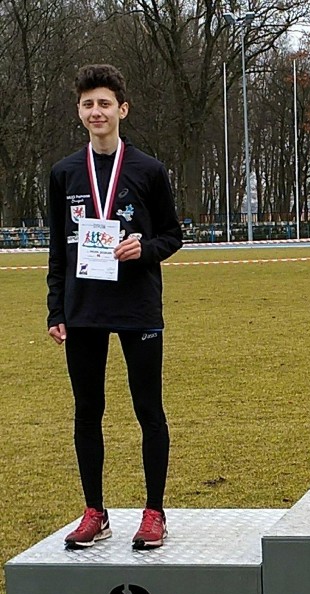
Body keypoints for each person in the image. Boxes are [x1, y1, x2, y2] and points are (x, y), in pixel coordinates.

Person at [47, 64, 183, 549]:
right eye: (88, 104)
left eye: (105, 103)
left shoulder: (149, 170)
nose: (96, 111)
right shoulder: (64, 173)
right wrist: (54, 309)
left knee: (148, 409)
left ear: (121, 109)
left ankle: (154, 512)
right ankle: (94, 511)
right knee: (88, 411)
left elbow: (173, 236)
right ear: (79, 112)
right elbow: (57, 250)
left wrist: (142, 249)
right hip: (83, 310)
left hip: (137, 308)